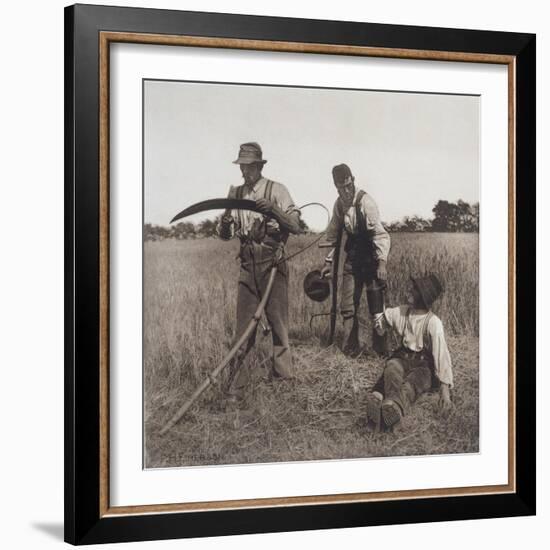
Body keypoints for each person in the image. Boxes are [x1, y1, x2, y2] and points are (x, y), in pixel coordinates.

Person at [217, 142, 302, 402]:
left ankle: (284, 380)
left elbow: (296, 225)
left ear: (258, 166)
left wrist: (273, 210)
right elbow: (224, 235)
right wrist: (226, 222)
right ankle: (236, 387)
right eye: (241, 166)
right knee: (243, 328)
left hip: (272, 262)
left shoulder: (276, 190)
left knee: (278, 323)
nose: (244, 172)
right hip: (247, 262)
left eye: (248, 167)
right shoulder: (236, 193)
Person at [365, 274, 454, 432]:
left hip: (424, 365)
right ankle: (385, 405)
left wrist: (445, 390)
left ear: (423, 297)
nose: (409, 290)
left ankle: (394, 407)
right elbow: (381, 326)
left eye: (414, 289)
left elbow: (441, 355)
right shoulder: (402, 312)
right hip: (402, 357)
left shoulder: (433, 323)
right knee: (392, 369)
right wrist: (376, 308)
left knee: (413, 383)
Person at [320, 164, 391, 356]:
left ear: (352, 180)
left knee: (376, 308)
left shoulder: (366, 202)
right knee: (348, 307)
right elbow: (332, 236)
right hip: (352, 259)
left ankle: (381, 351)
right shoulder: (339, 205)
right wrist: (328, 263)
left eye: (348, 185)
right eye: (340, 188)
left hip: (371, 259)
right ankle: (350, 350)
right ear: (335, 186)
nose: (345, 191)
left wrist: (382, 263)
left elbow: (381, 236)